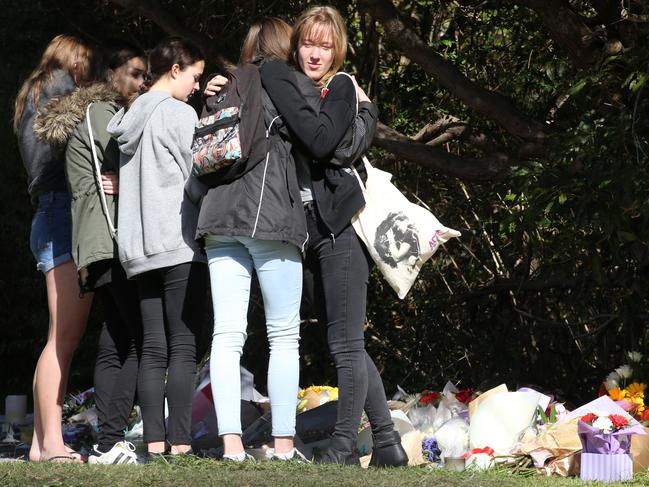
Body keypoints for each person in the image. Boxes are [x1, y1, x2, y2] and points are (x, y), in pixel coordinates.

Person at [259, 6, 409, 466]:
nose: (316, 53)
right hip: (311, 230)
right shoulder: (298, 89)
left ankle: (343, 448)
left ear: (337, 50)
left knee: (346, 345)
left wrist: (364, 110)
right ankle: (386, 443)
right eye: (308, 43)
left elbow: (332, 147)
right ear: (296, 45)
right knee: (344, 342)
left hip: (341, 229)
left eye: (326, 45)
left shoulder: (341, 86)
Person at [195, 18, 307, 462]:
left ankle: (232, 445)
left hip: (219, 216)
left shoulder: (224, 85)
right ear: (285, 46)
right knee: (283, 335)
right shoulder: (284, 82)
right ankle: (282, 445)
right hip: (269, 216)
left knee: (226, 334)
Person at [34, 39, 147, 464]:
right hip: (87, 230)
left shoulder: (71, 112)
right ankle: (77, 442)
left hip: (72, 228)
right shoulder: (98, 114)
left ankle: (44, 445)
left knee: (102, 336)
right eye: (134, 74)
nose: (141, 82)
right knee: (74, 338)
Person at [107, 37, 207, 459]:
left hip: (138, 249)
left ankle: (152, 441)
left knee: (152, 347)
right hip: (178, 243)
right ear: (175, 70)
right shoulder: (179, 115)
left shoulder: (128, 117)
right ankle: (181, 444)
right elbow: (197, 174)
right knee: (183, 345)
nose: (198, 87)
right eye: (195, 77)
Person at [14, 34, 95, 463]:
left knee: (57, 336)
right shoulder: (62, 90)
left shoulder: (33, 92)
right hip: (62, 212)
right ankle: (52, 445)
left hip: (45, 213)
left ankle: (39, 445)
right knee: (63, 337)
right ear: (75, 59)